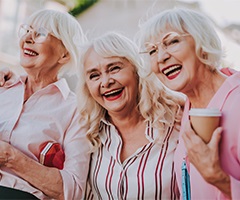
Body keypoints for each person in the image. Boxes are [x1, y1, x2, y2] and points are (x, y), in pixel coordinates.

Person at [135, 7, 240, 199]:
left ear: (203, 41)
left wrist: (219, 178)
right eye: (152, 50)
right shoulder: (188, 110)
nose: (161, 57)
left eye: (172, 41)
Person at [76, 31, 184, 199]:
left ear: (137, 70)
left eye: (114, 68)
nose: (106, 82)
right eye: (94, 75)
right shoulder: (88, 133)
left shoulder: (177, 122)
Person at [0, 9, 90, 199]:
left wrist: (10, 157)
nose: (28, 38)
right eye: (26, 30)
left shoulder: (75, 111)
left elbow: (72, 189)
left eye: (40, 33)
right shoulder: (3, 85)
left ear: (64, 55)